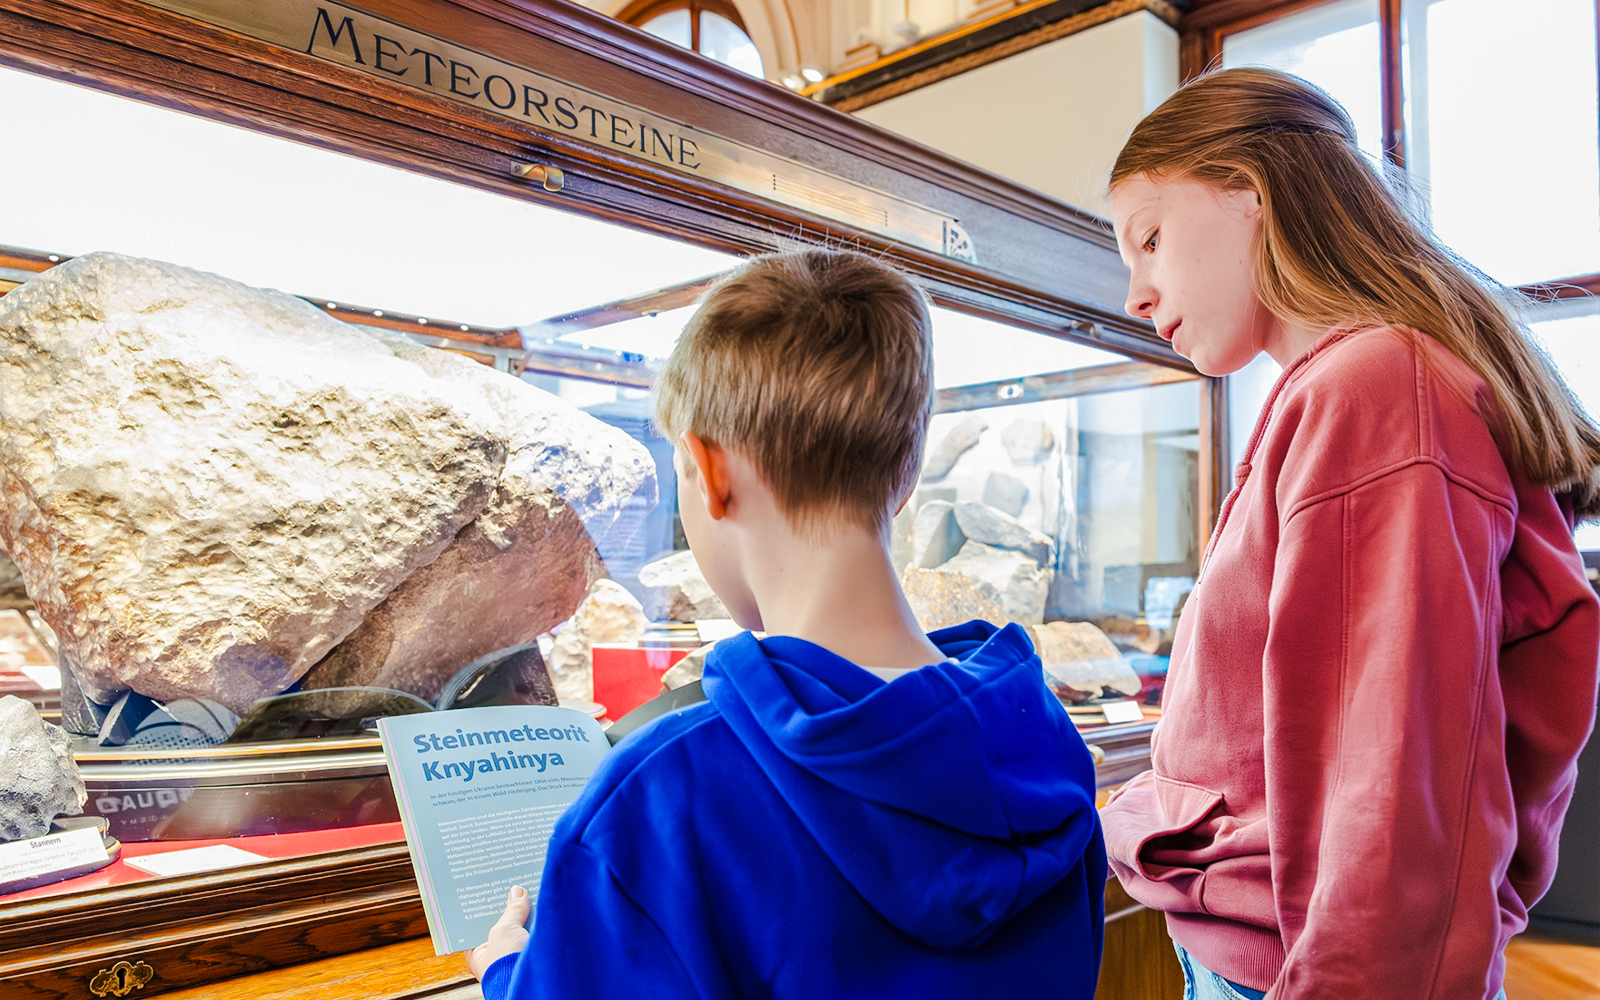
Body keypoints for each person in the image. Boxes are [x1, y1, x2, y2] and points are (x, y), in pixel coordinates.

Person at [467, 248, 1107, 999]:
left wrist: (511, 972)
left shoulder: (660, 800)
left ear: (710, 473)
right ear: (907, 473)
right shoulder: (1042, 742)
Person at [1099, 67, 1600, 1000]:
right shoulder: (1349, 389)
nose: (1136, 290)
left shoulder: (1376, 390)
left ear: (1251, 196)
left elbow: (1392, 777)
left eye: (1151, 239)